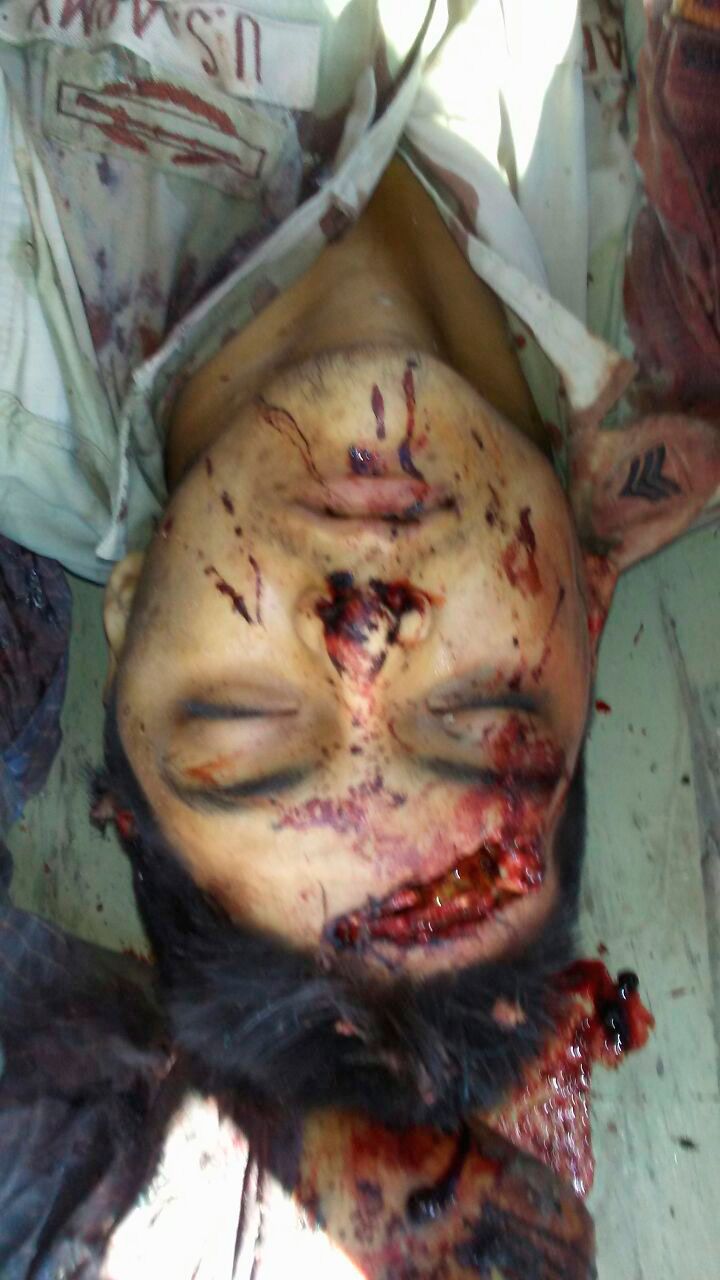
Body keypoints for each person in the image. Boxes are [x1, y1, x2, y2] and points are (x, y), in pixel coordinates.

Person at [1, 1, 719, 1275]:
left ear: (130, 605)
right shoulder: (689, 281)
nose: (365, 636)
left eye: (245, 719)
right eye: (480, 717)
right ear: (591, 601)